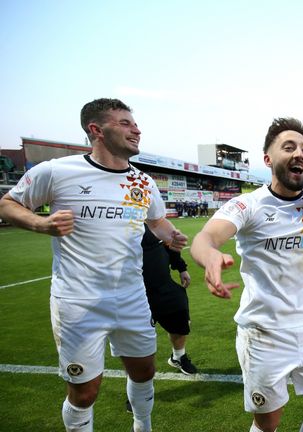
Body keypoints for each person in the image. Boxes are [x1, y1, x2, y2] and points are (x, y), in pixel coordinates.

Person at [190, 65, 303, 432]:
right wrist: (210, 257)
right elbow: (205, 238)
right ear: (268, 159)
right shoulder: (249, 205)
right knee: (268, 423)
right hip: (263, 334)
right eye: (289, 147)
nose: (299, 153)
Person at [0, 98, 188, 432]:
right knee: (85, 392)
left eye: (135, 123)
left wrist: (173, 237)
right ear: (96, 130)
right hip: (78, 302)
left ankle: (142, 426)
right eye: (125, 123)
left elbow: (157, 224)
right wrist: (40, 224)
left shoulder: (142, 183)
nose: (136, 129)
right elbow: (8, 204)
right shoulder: (57, 171)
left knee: (144, 372)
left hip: (132, 297)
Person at [141, 223, 198, 375]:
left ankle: (178, 356)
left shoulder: (154, 224)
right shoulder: (115, 226)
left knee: (180, 316)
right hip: (134, 292)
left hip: (163, 286)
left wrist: (181, 268)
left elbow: (169, 246)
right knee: (137, 342)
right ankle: (137, 391)